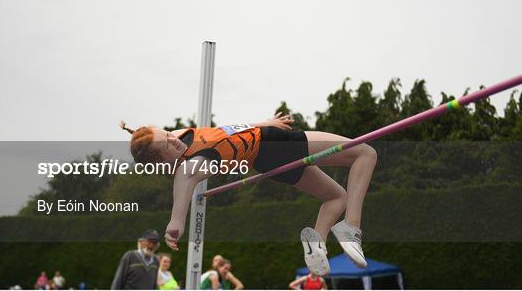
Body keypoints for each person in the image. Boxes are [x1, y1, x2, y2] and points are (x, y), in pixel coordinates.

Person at [121, 112, 377, 276]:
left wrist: (265, 122)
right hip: (273, 144)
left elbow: (225, 131)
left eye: (166, 133)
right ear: (162, 163)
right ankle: (351, 227)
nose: (173, 139)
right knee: (365, 153)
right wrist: (174, 227)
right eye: (166, 145)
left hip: (266, 159)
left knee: (337, 197)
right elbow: (180, 202)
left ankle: (317, 242)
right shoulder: (187, 169)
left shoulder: (177, 139)